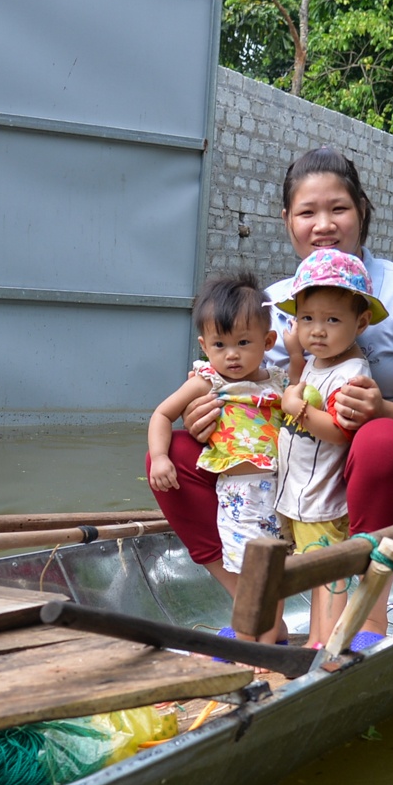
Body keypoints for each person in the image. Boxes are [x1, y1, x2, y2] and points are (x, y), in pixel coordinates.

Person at [149, 147, 393, 639]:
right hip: (293, 466)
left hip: (390, 478)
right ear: (287, 221)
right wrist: (203, 416)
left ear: (362, 210)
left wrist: (382, 410)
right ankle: (257, 610)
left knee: (378, 438)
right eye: (306, 212)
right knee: (173, 452)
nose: (323, 225)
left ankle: (367, 617)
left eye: (338, 209)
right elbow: (250, 388)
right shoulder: (270, 304)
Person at [146, 272, 288, 641]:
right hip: (240, 496)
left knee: (276, 568)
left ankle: (269, 640)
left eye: (243, 342)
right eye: (220, 344)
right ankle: (257, 640)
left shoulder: (278, 382)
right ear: (204, 346)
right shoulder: (209, 381)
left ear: (268, 341)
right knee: (251, 568)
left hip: (283, 493)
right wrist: (160, 457)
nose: (232, 354)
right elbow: (162, 414)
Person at [272, 249, 386, 647]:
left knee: (328, 572)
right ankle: (316, 640)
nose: (317, 331)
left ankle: (325, 643)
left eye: (332, 320)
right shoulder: (316, 362)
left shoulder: (352, 373)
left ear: (361, 322)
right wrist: (295, 356)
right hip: (299, 491)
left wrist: (296, 408)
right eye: (307, 319)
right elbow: (300, 381)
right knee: (314, 567)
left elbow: (340, 430)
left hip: (320, 495)